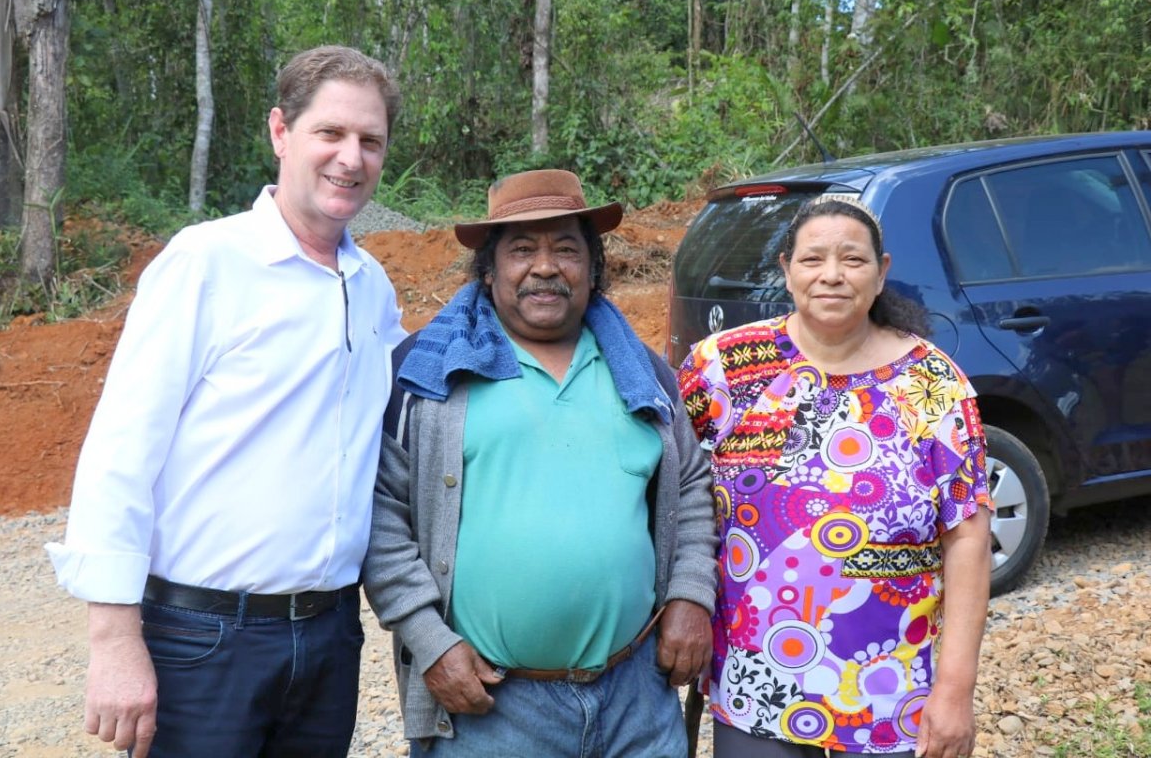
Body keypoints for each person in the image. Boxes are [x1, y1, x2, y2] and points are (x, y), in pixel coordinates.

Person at [45, 45, 407, 758]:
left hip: (330, 637)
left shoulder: (371, 287)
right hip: (204, 640)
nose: (350, 158)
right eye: (329, 134)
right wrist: (115, 641)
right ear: (281, 132)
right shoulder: (204, 264)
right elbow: (121, 451)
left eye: (370, 141)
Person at [361, 168, 719, 757]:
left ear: (594, 266)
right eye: (522, 250)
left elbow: (691, 484)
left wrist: (690, 595)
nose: (545, 267)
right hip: (494, 708)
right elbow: (381, 514)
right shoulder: (429, 376)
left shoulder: (644, 373)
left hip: (636, 696)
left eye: (566, 249)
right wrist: (429, 641)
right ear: (490, 269)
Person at [676, 195, 993, 758]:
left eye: (852, 260)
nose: (831, 276)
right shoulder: (724, 369)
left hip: (890, 691)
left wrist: (955, 688)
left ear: (881, 272)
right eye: (812, 259)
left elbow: (967, 536)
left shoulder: (933, 385)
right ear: (785, 269)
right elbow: (670, 487)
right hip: (756, 682)